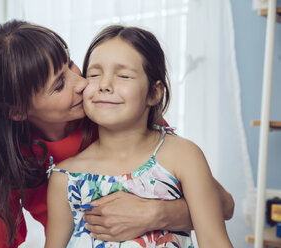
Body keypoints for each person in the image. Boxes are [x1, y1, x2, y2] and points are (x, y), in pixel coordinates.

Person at [0, 20, 234, 248]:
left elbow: (223, 206)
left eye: (71, 64)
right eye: (58, 85)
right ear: (17, 111)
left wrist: (155, 213)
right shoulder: (15, 163)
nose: (83, 84)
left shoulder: (126, 119)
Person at [45, 25, 234, 248]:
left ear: (154, 93)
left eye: (123, 75)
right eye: (94, 74)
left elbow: (214, 240)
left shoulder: (183, 156)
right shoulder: (64, 177)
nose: (105, 85)